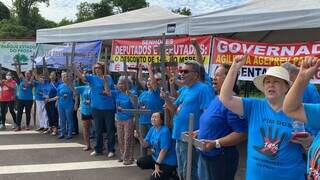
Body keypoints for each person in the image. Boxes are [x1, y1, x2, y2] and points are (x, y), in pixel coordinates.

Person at [219, 55, 306, 180]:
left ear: (286, 87)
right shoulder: (254, 106)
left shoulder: (298, 110)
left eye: (276, 81)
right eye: (268, 82)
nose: (271, 85)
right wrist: (234, 68)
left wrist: (308, 143)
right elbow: (225, 98)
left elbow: (313, 145)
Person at [161, 60, 213, 180]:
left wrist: (199, 132)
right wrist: (166, 98)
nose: (181, 74)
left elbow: (209, 115)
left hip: (191, 137)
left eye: (185, 71)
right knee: (182, 170)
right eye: (181, 71)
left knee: (190, 171)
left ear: (195, 74)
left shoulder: (203, 89)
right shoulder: (185, 89)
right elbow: (174, 109)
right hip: (179, 135)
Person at [197, 64, 247, 180]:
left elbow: (241, 133)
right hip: (206, 155)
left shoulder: (233, 103)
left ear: (230, 78)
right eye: (215, 74)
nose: (214, 77)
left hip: (220, 158)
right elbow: (216, 123)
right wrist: (198, 131)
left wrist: (216, 143)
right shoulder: (217, 98)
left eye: (218, 75)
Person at [283, 57, 320, 180]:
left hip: (308, 135)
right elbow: (290, 109)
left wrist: (311, 138)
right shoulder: (299, 88)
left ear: (289, 74)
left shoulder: (307, 89)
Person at [73, 63, 116, 158]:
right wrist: (74, 67)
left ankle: (111, 149)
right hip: (96, 108)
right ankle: (98, 149)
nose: (97, 70)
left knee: (110, 130)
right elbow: (82, 77)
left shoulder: (109, 78)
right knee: (98, 130)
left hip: (108, 108)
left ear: (103, 68)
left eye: (99, 68)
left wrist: (105, 83)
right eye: (95, 68)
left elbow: (111, 91)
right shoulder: (92, 77)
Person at [136, 112, 179, 180]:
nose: (153, 119)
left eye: (155, 117)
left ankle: (172, 175)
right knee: (140, 162)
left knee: (153, 179)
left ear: (161, 120)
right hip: (156, 158)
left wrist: (157, 165)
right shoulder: (152, 129)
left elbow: (164, 150)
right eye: (152, 117)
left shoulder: (165, 131)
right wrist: (139, 137)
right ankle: (162, 173)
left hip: (167, 162)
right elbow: (145, 145)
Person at [138, 64, 164, 156]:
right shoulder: (143, 93)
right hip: (143, 120)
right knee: (144, 140)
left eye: (150, 80)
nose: (149, 82)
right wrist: (140, 69)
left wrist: (149, 68)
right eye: (147, 81)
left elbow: (153, 82)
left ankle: (157, 159)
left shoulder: (157, 92)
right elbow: (140, 80)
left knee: (155, 141)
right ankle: (143, 157)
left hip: (155, 121)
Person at [111, 76, 136, 165]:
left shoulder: (132, 92)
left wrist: (130, 95)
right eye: (119, 83)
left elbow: (135, 105)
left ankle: (128, 157)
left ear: (128, 84)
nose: (120, 85)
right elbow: (107, 91)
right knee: (120, 138)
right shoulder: (117, 93)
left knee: (128, 138)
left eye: (122, 83)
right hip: (119, 118)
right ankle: (123, 155)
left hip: (128, 118)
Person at [55, 72, 76, 139]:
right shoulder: (60, 86)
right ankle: (62, 133)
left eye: (65, 76)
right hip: (61, 104)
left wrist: (76, 104)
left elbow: (76, 94)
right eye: (63, 77)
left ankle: (69, 133)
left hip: (69, 104)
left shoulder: (71, 85)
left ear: (68, 77)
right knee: (62, 119)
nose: (64, 78)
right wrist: (56, 101)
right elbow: (58, 95)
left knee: (69, 119)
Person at [75, 84, 92, 151]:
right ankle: (87, 145)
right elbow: (73, 89)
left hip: (95, 110)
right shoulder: (83, 87)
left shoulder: (96, 87)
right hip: (85, 111)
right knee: (85, 128)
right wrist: (68, 80)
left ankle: (100, 146)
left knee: (98, 129)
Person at [44, 71, 60, 135]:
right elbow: (45, 91)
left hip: (54, 102)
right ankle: (50, 127)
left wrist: (50, 99)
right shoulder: (48, 83)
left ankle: (55, 128)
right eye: (51, 75)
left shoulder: (58, 84)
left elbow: (58, 95)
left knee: (54, 115)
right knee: (49, 115)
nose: (52, 76)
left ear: (56, 76)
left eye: (53, 75)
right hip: (47, 102)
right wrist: (45, 97)